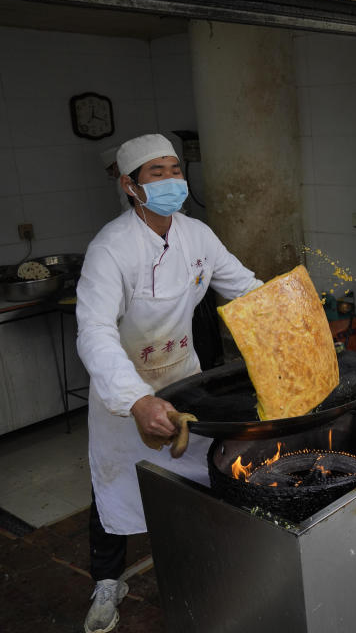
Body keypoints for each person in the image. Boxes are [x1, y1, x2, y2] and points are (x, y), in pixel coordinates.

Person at [76, 134, 263, 632]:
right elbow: (93, 332)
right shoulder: (110, 249)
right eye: (156, 173)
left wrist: (296, 318)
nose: (171, 180)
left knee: (198, 482)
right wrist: (136, 400)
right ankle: (107, 581)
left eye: (175, 169)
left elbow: (244, 290)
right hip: (126, 391)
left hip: (184, 381)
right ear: (130, 186)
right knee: (116, 486)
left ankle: (206, 566)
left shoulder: (197, 235)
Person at [100, 146, 129, 212]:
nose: (111, 175)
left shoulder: (122, 180)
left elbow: (127, 206)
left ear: (115, 166)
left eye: (110, 172)